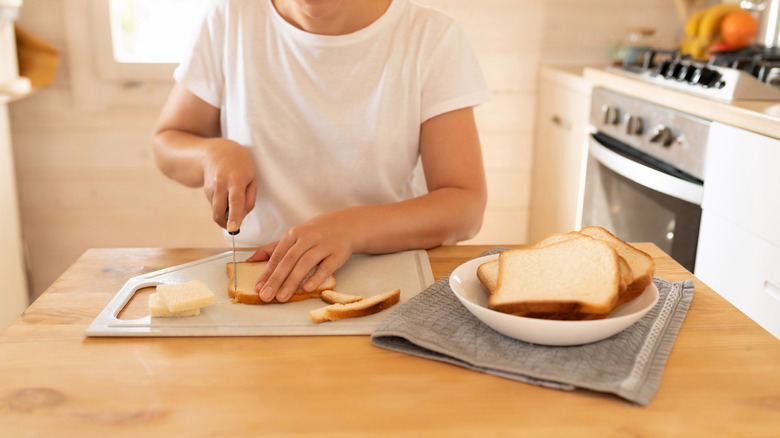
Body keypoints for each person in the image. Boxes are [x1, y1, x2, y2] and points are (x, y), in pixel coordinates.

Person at [151, 0, 490, 304]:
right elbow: (168, 141)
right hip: (262, 275)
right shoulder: (228, 18)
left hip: (386, 276)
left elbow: (465, 206)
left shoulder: (431, 36)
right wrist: (212, 153)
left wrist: (352, 229)